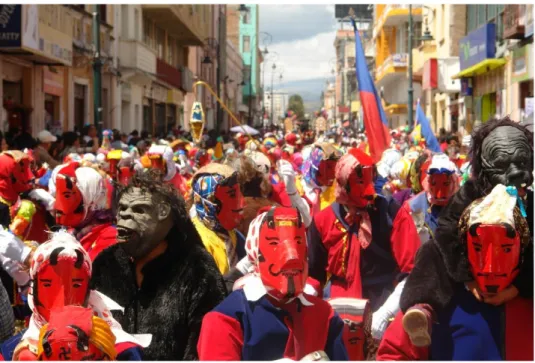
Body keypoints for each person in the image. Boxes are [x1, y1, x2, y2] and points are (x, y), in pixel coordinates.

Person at [398, 117, 533, 349]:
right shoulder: (470, 194)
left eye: (522, 164)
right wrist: (467, 278)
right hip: (471, 271)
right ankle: (422, 309)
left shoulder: (529, 202)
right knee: (431, 252)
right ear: (483, 166)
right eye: (503, 165)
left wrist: (519, 286)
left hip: (515, 278)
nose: (518, 174)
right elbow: (446, 231)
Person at [377, 184, 533, 360]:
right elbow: (394, 353)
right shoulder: (441, 294)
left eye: (505, 249)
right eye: (478, 248)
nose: (490, 267)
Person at [91, 170, 227, 360]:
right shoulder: (106, 264)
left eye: (139, 210)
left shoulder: (198, 268)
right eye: (122, 209)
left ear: (163, 213)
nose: (125, 217)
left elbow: (206, 345)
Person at [197, 206, 349, 361]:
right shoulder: (225, 319)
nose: (292, 257)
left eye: (298, 242)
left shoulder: (324, 314)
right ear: (255, 253)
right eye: (274, 243)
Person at [306, 148, 421, 339]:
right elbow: (314, 275)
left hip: (384, 305)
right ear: (343, 182)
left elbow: (412, 270)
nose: (369, 189)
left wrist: (385, 315)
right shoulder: (322, 221)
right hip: (339, 310)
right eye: (360, 181)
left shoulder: (392, 214)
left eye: (370, 179)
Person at [6, 230, 145, 361]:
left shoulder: (122, 350)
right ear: (34, 290)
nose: (63, 299)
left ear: (89, 291)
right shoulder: (11, 351)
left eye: (76, 285)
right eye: (48, 285)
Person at [52, 162, 116, 261]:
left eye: (68, 197)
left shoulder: (110, 238)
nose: (58, 207)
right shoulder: (71, 232)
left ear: (91, 199)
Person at [190, 163, 246, 275]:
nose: (240, 203)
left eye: (238, 194)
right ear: (209, 201)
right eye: (231, 196)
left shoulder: (232, 233)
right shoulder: (197, 244)